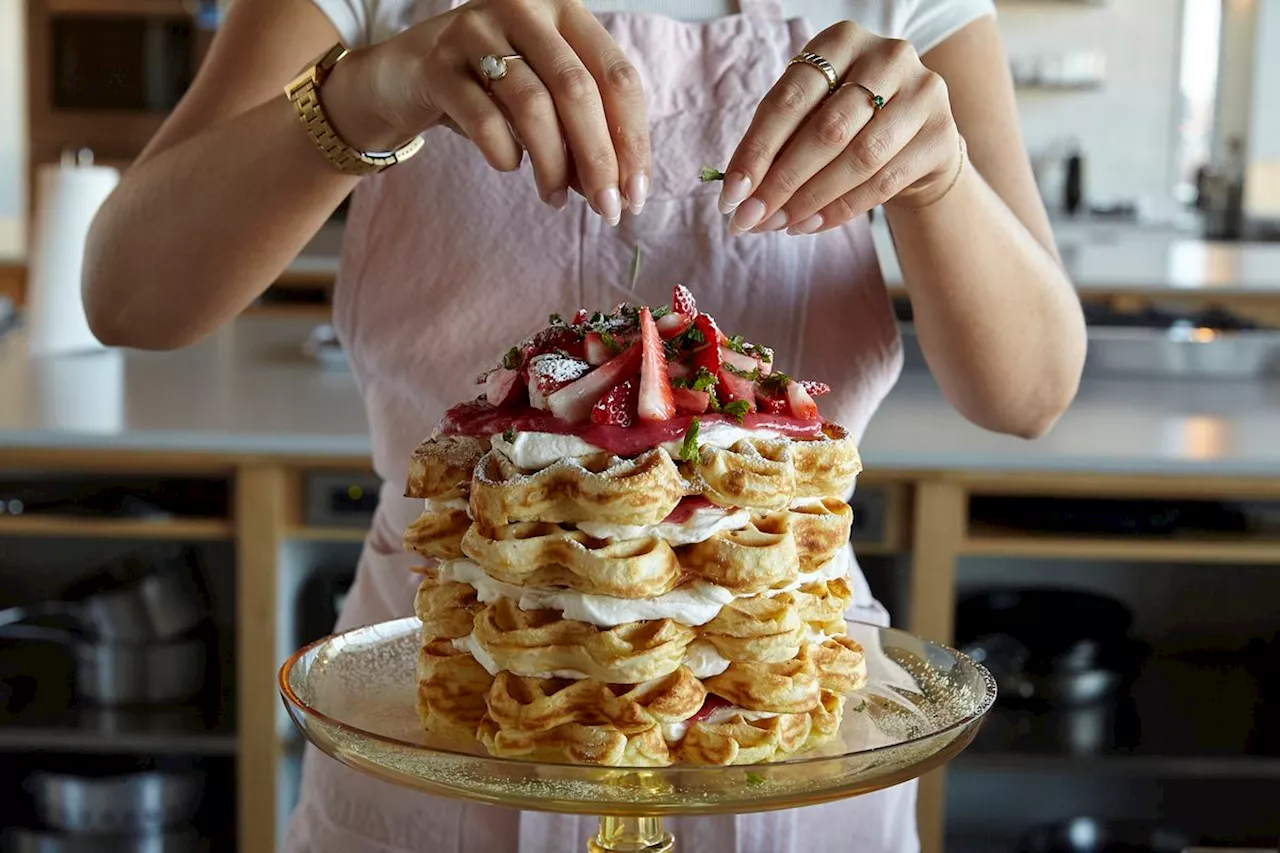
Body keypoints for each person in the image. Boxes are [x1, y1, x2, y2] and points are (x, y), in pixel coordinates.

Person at [83, 0, 1086, 848]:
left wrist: (937, 173)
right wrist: (365, 91)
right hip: (452, 699)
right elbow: (131, 299)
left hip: (778, 697)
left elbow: (1028, 391)